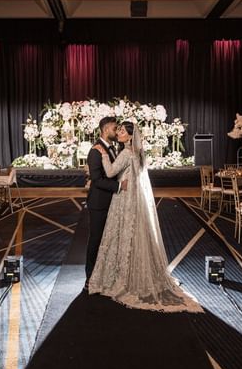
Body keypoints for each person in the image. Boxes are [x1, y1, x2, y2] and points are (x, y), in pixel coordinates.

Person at [88, 121, 202, 313]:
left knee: (122, 234)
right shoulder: (137, 153)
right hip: (131, 200)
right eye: (118, 129)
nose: (119, 132)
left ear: (131, 136)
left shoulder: (124, 152)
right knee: (130, 235)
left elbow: (109, 172)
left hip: (124, 199)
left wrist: (105, 155)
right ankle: (132, 273)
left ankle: (121, 277)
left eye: (122, 131)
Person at [84, 117, 128, 292]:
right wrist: (119, 186)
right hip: (99, 203)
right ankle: (90, 278)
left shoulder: (113, 148)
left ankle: (105, 275)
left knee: (108, 240)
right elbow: (96, 179)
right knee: (96, 240)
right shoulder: (95, 151)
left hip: (112, 202)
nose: (117, 132)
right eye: (114, 128)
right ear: (105, 129)